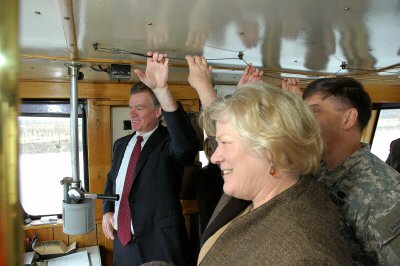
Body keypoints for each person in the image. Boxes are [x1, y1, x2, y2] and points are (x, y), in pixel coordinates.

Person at [186, 56, 352, 265]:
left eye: (225, 143)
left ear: (271, 148)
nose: (216, 157)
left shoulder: (302, 253)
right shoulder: (258, 185)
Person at [282, 77, 400, 265]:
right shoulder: (317, 165)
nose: (303, 122)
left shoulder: (384, 195)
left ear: (348, 119)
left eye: (313, 113)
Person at [102, 52, 199, 266]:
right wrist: (108, 210)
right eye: (131, 108)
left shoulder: (168, 143)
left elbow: (186, 146)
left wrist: (162, 90)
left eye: (140, 108)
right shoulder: (121, 145)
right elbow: (112, 180)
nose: (132, 114)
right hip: (124, 245)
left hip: (160, 245)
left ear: (157, 112)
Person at [196, 137, 223, 234]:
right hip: (211, 220)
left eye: (213, 148)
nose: (210, 152)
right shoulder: (203, 174)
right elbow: (205, 208)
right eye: (208, 149)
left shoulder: (226, 171)